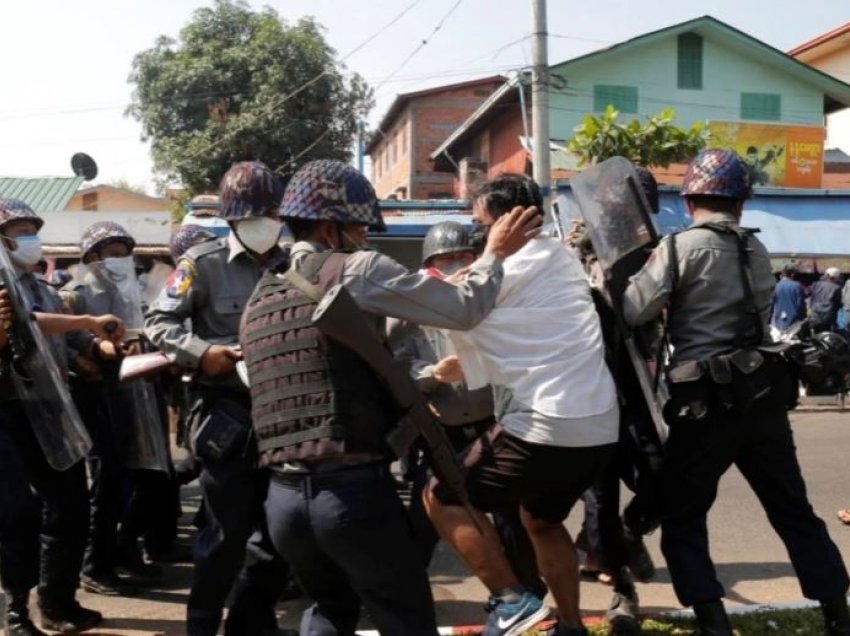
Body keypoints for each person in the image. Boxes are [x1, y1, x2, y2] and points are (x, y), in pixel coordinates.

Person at [239, 159, 539, 636]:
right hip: (351, 492)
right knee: (406, 618)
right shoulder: (356, 270)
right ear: (328, 224)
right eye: (358, 226)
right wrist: (494, 256)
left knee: (330, 612)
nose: (363, 236)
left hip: (282, 501)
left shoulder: (262, 295)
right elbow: (463, 309)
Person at [622, 149, 850, 636]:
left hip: (702, 402)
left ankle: (713, 621)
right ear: (742, 203)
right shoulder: (757, 249)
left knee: (684, 517)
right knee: (793, 510)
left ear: (688, 201)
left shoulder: (679, 248)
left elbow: (634, 310)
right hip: (762, 394)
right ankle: (837, 612)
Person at [422, 173, 620, 636]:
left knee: (442, 496)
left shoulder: (510, 267)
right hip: (597, 428)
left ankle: (513, 603)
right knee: (542, 521)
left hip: (547, 423)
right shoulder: (562, 260)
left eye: (480, 226)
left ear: (507, 222)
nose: (476, 238)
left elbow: (457, 309)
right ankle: (571, 628)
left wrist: (490, 254)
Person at [145, 161, 293, 636]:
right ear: (232, 217)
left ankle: (252, 626)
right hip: (227, 417)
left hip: (287, 415)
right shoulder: (201, 265)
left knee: (280, 535)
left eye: (273, 210)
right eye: (257, 212)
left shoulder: (294, 262)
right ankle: (203, 626)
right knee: (225, 536)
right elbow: (158, 324)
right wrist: (202, 351)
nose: (267, 220)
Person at [388, 221, 545, 599]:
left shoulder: (491, 298)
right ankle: (405, 595)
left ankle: (527, 595)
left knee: (511, 518)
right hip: (441, 431)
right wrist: (432, 375)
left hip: (495, 426)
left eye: (465, 257)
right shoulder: (410, 307)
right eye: (447, 259)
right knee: (426, 517)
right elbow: (395, 369)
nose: (457, 266)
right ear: (431, 265)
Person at [0, 197, 125, 635]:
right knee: (18, 513)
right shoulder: (9, 292)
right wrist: (87, 321)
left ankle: (58, 602)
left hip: (48, 414)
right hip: (7, 413)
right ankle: (16, 609)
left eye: (30, 229)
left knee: (71, 505)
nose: (27, 239)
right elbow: (27, 322)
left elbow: (70, 345)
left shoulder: (44, 288)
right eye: (17, 232)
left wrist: (98, 347)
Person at [61, 221, 171, 597]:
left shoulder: (131, 294)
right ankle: (94, 564)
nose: (122, 260)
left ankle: (125, 552)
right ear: (91, 257)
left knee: (137, 476)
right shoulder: (74, 295)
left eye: (125, 252)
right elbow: (65, 345)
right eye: (112, 253)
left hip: (134, 391)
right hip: (96, 398)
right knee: (106, 481)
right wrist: (87, 356)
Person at [770, 264, 807, 340]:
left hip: (777, 320)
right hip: (793, 321)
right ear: (792, 275)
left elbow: (771, 303)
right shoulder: (797, 286)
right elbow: (800, 304)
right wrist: (803, 317)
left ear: (782, 275)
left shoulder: (776, 286)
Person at [810, 267, 843, 333]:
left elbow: (811, 296)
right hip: (828, 316)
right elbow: (837, 304)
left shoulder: (816, 284)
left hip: (815, 314)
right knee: (826, 335)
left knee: (816, 334)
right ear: (836, 277)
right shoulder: (837, 288)